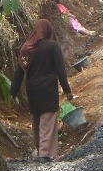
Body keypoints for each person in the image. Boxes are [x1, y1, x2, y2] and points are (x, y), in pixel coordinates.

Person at [10, 19, 73, 162]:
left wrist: (13, 91)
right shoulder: (52, 46)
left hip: (32, 89)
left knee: (37, 118)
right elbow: (60, 70)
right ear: (47, 31)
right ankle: (45, 153)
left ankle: (39, 148)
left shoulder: (26, 47)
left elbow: (19, 71)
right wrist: (67, 91)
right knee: (48, 120)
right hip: (48, 89)